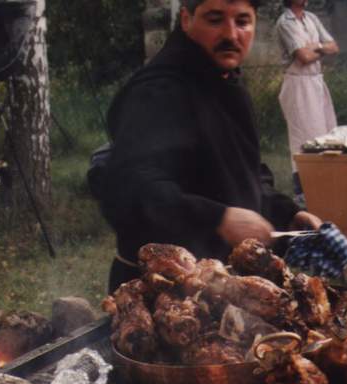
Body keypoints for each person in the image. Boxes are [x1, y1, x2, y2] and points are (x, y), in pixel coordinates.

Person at [96, 0, 322, 292]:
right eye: (215, 19)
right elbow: (131, 189)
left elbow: (244, 175)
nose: (230, 34)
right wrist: (216, 218)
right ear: (187, 19)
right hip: (161, 291)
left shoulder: (226, 82)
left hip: (224, 289)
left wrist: (288, 213)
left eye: (242, 21)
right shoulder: (159, 91)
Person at [276, 0, 339, 205]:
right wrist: (320, 50)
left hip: (317, 82)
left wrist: (317, 46)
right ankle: (303, 196)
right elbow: (303, 56)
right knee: (303, 140)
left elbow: (334, 47)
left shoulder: (312, 18)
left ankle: (326, 188)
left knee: (326, 134)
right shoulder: (285, 22)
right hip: (298, 85)